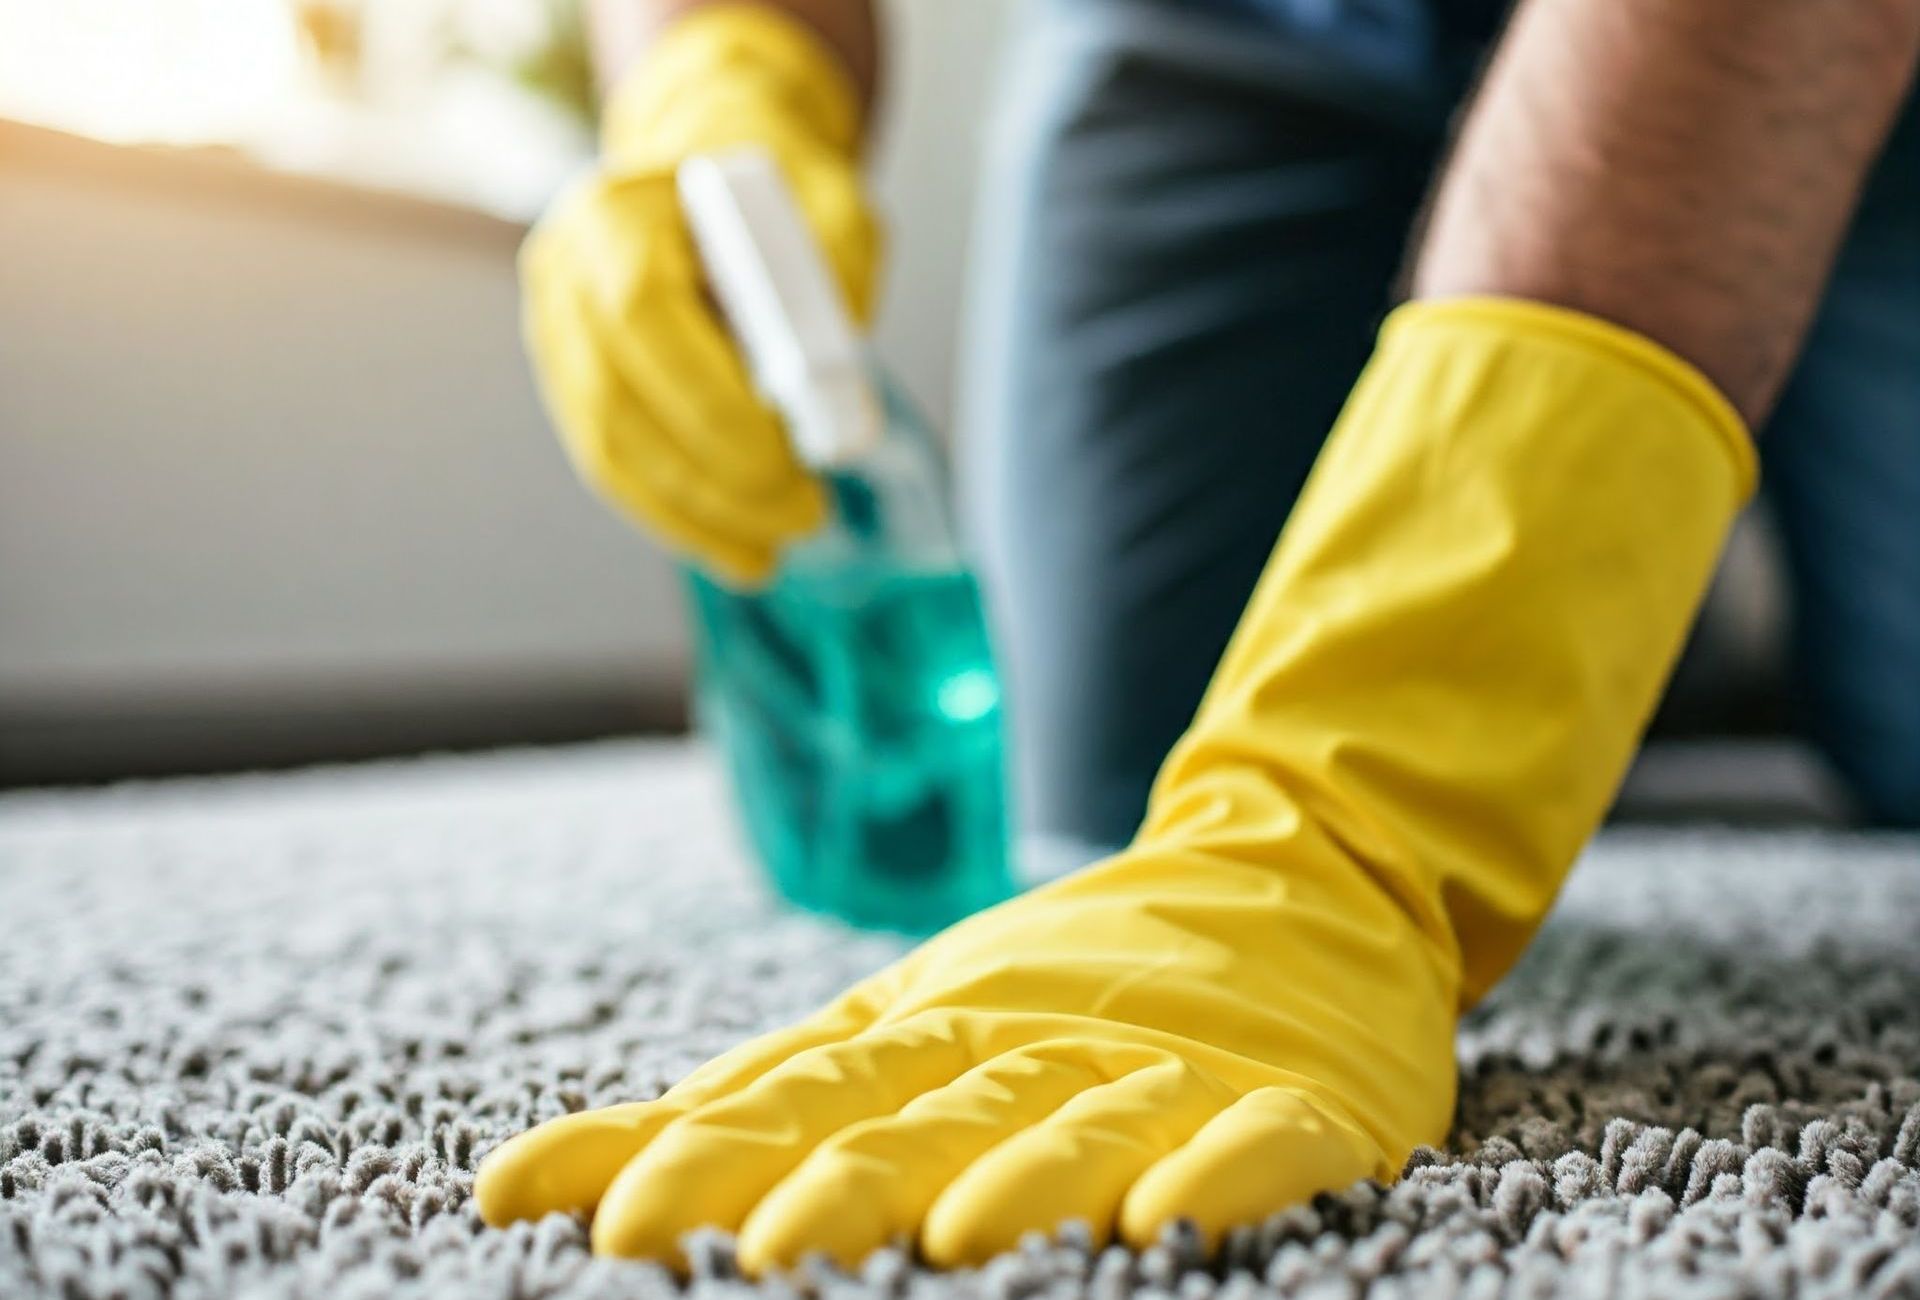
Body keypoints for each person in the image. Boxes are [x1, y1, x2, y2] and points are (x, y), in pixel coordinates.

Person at [478, 0, 1920, 1275]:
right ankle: (1634, 591)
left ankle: (1653, 573)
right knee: (1116, 784)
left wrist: (1362, 810)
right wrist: (719, 68)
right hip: (1242, 28)